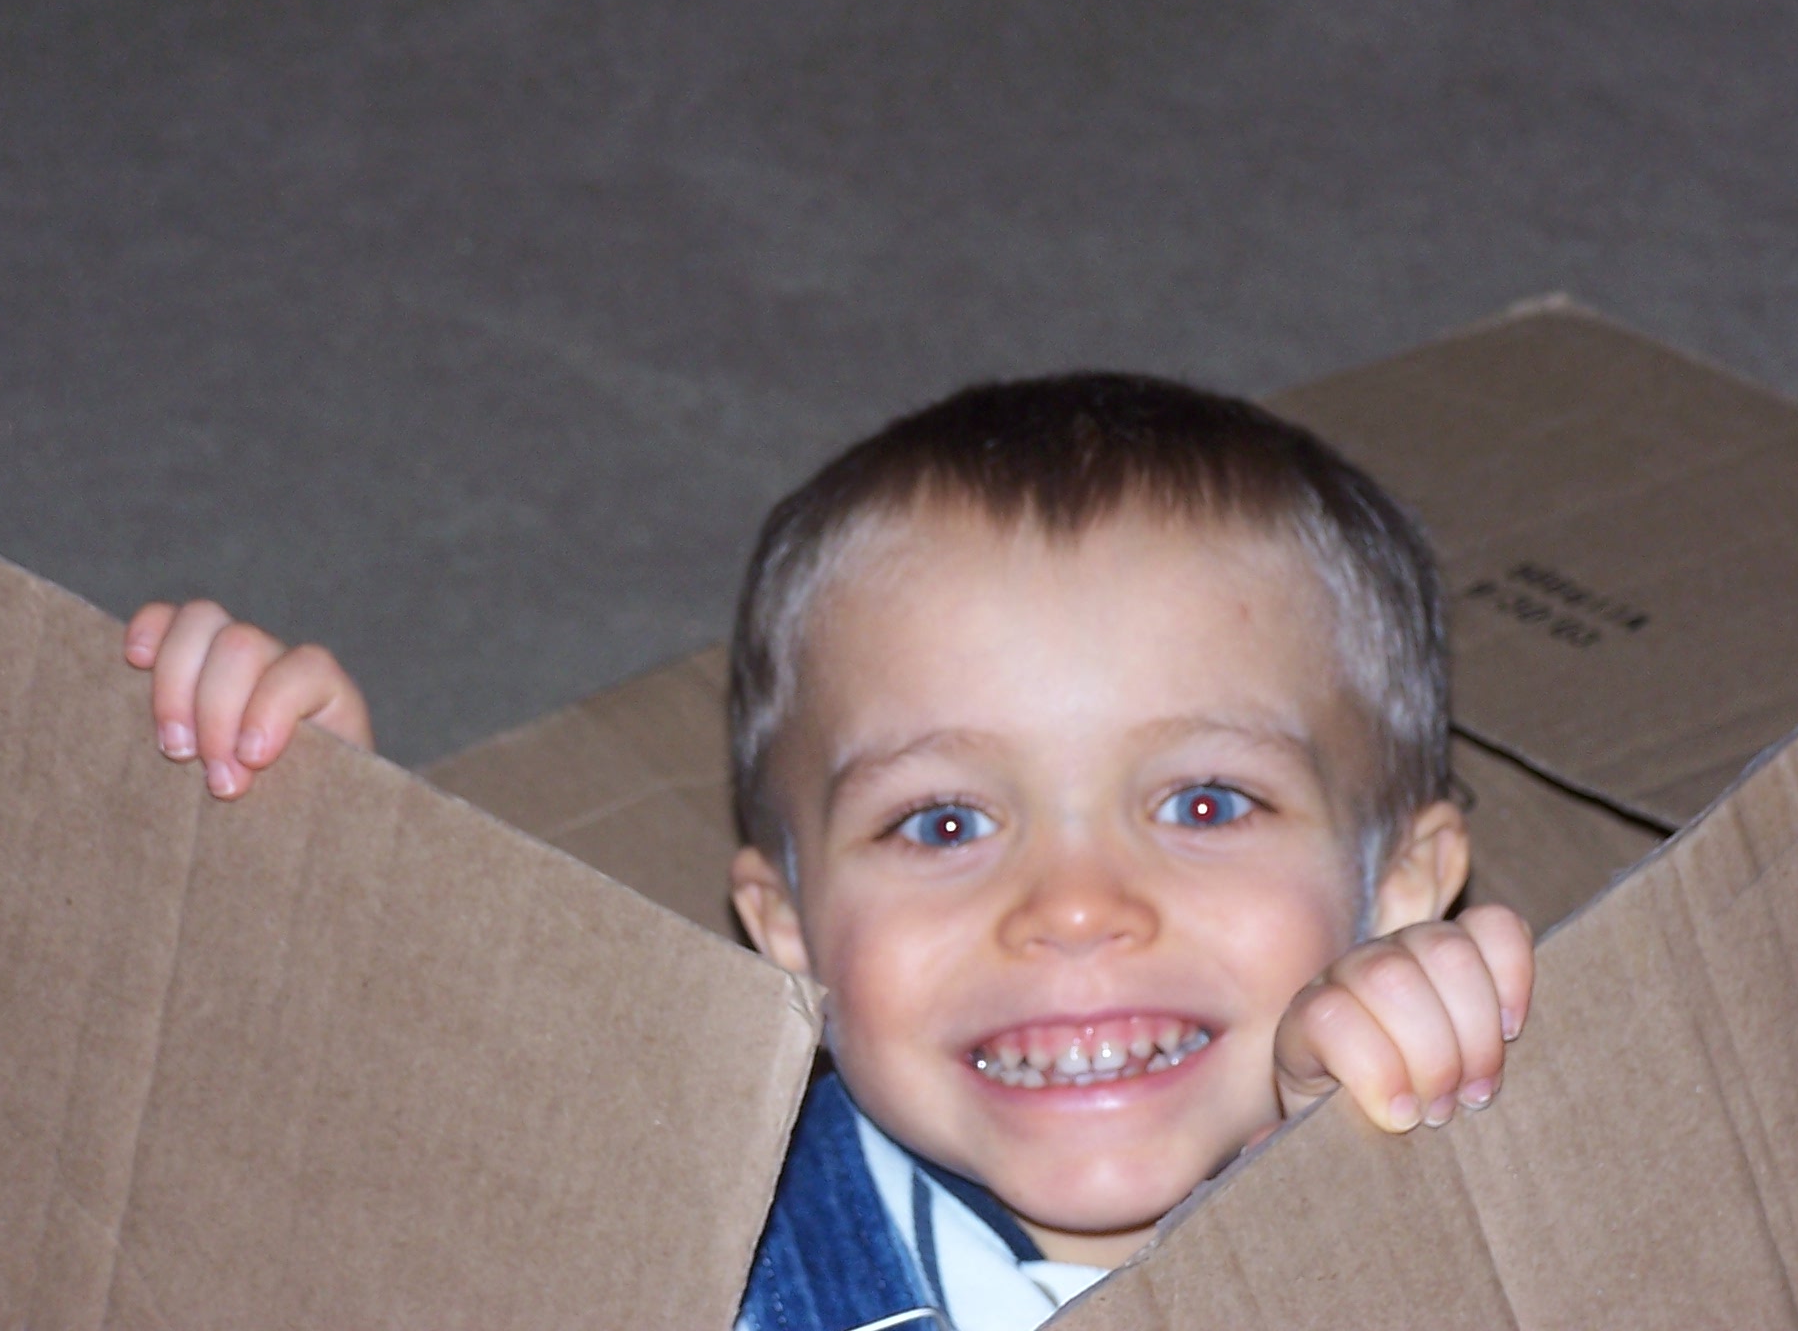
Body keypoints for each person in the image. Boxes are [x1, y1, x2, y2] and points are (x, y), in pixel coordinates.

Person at [126, 373, 1534, 1331]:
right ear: (786, 921)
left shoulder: (1500, 1209)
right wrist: (321, 885)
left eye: (1206, 805)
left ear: (1403, 887)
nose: (1074, 906)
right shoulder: (694, 1217)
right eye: (944, 822)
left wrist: (1365, 1179)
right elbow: (341, 1199)